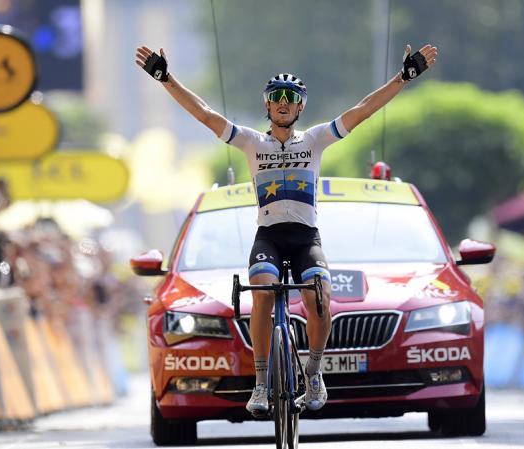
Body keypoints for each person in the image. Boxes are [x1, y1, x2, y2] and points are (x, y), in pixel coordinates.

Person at [135, 43, 437, 414]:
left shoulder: (314, 140)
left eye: (290, 97)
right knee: (261, 292)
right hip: (270, 237)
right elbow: (205, 115)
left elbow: (362, 111)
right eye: (275, 96)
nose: (282, 102)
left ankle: (313, 372)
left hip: (305, 237)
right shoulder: (251, 142)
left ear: (300, 107)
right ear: (267, 105)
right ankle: (261, 383)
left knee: (320, 297)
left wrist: (403, 78)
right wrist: (166, 79)